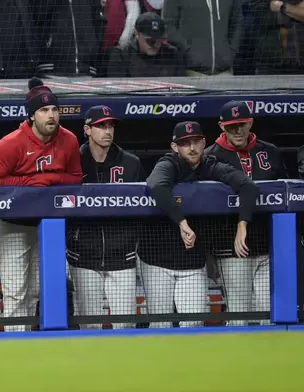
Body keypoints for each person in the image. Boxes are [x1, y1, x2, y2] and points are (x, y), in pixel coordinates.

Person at [0, 77, 83, 332]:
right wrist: (29, 183)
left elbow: (75, 179)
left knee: (38, 291)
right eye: (44, 111)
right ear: (31, 116)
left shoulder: (69, 140)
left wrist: (46, 178)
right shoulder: (11, 143)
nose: (51, 116)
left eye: (54, 110)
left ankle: (33, 344)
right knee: (16, 291)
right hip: (13, 224)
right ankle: (15, 349)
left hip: (49, 225)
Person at [143, 121, 258, 328]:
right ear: (174, 147)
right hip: (157, 261)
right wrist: (182, 222)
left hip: (193, 262)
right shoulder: (168, 164)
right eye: (185, 143)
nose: (192, 148)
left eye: (196, 142)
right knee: (160, 326)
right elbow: (156, 186)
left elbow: (247, 185)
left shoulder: (210, 165)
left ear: (204, 143)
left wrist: (242, 225)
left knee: (194, 322)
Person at [204, 101, 287, 326]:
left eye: (241, 124)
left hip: (268, 247)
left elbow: (287, 193)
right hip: (230, 249)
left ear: (250, 122)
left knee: (269, 313)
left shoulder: (269, 151)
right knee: (239, 314)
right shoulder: (210, 156)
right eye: (232, 126)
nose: (237, 130)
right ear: (222, 126)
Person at [66, 105, 146, 330]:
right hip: (83, 258)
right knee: (88, 327)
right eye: (101, 126)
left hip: (122, 257)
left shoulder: (131, 163)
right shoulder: (72, 161)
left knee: (126, 326)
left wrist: (131, 239)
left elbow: (143, 207)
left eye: (110, 126)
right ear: (87, 130)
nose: (108, 131)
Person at [108, 12, 185, 77]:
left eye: (158, 39)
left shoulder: (172, 54)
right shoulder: (122, 55)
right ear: (137, 34)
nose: (155, 44)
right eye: (149, 40)